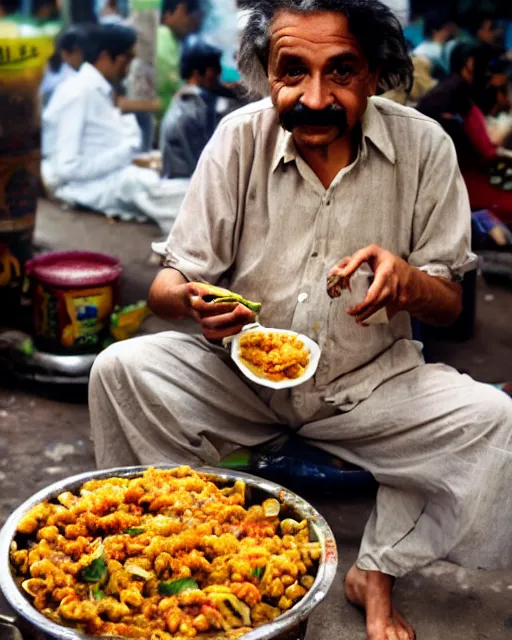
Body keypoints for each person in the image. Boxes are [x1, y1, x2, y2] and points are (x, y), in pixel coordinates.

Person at [89, 2, 512, 640]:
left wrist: (409, 281)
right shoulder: (238, 138)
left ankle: (378, 571)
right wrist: (194, 302)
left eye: (341, 72)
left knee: (493, 423)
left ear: (374, 73)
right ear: (267, 72)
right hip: (242, 373)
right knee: (122, 369)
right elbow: (167, 285)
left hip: (371, 385)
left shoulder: (424, 146)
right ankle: (186, 541)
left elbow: (451, 304)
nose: (315, 98)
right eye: (293, 72)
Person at [42, 24, 190, 233]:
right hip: (84, 186)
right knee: (177, 194)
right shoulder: (78, 92)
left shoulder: (96, 89)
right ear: (104, 57)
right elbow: (68, 168)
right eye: (126, 59)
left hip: (112, 176)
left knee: (187, 186)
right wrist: (126, 154)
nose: (128, 68)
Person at [417, 43, 512, 223]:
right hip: (461, 181)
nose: (489, 77)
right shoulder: (458, 94)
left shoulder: (446, 90)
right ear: (469, 65)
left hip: (439, 179)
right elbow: (486, 151)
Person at [159, 39, 225, 178]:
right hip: (185, 186)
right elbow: (203, 165)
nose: (218, 77)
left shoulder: (185, 101)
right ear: (197, 73)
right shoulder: (192, 108)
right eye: (213, 70)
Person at [156, 0, 202, 117]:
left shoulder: (175, 41)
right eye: (185, 12)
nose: (190, 19)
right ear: (168, 14)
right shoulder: (163, 36)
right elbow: (172, 85)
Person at [39, 25, 88, 108]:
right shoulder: (69, 75)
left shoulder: (78, 72)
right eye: (79, 52)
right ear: (65, 53)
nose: (82, 56)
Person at [413, 8, 458, 78]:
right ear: (435, 31)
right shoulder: (436, 52)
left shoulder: (420, 47)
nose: (450, 32)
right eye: (447, 29)